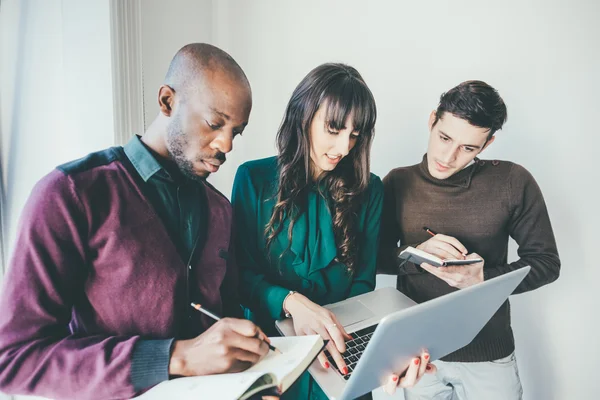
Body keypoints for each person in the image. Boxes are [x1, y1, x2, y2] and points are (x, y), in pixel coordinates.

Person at [0, 43, 276, 400]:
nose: (226, 145)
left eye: (236, 131)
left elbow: (226, 321)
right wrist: (174, 357)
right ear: (167, 101)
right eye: (214, 123)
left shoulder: (221, 210)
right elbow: (14, 361)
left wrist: (252, 383)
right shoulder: (70, 194)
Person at [232, 63, 435, 399]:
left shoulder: (369, 189)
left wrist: (376, 352)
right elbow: (239, 275)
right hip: (271, 357)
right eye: (334, 129)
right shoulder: (252, 179)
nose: (344, 147)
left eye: (355, 135)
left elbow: (363, 283)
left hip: (340, 353)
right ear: (303, 116)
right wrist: (290, 302)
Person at [378, 80, 561, 400]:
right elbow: (372, 258)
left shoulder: (513, 180)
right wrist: (413, 254)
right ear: (432, 119)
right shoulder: (397, 182)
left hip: (489, 354)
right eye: (444, 137)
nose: (448, 157)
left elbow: (546, 262)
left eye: (468, 148)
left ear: (487, 145)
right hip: (418, 358)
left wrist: (482, 279)